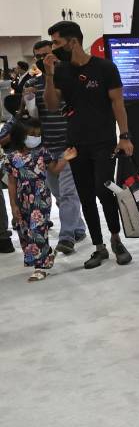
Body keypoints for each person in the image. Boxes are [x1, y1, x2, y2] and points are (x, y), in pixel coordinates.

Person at [43, 20, 135, 269]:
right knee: (85, 196)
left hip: (104, 142)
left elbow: (118, 103)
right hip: (75, 145)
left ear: (73, 42)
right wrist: (49, 75)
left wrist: (124, 136)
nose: (54, 47)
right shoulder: (60, 71)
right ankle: (99, 247)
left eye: (57, 42)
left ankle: (116, 239)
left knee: (103, 191)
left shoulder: (105, 68)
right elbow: (52, 105)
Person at [30, 39, 89, 254]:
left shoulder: (69, 78)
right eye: (38, 56)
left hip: (68, 146)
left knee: (67, 194)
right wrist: (26, 102)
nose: (44, 59)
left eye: (47, 54)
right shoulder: (35, 84)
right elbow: (35, 117)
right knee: (57, 194)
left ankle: (66, 238)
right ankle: (78, 228)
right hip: (47, 147)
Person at [4, 117, 75, 281]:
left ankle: (41, 266)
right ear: (20, 136)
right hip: (22, 199)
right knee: (25, 231)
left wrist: (65, 158)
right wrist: (13, 204)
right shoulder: (11, 158)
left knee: (38, 230)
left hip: (41, 197)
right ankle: (42, 255)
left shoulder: (43, 153)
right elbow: (12, 183)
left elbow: (55, 170)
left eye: (38, 134)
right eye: (31, 134)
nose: (35, 138)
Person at [0, 94, 21, 255]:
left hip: (22, 165)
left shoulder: (16, 123)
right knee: (18, 196)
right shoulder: (12, 124)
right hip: (15, 165)